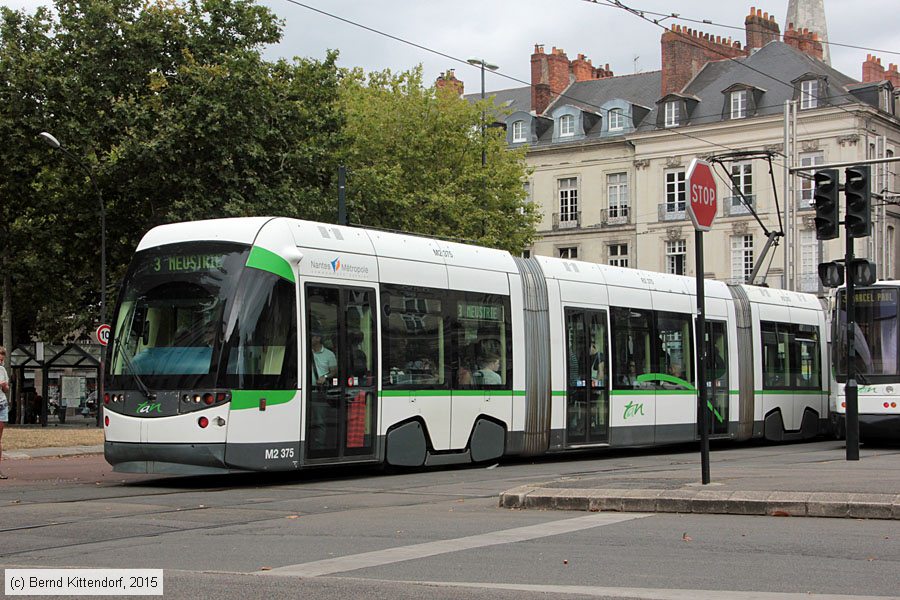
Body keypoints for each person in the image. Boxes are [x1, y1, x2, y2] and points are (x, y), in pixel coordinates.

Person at [0, 347, 9, 479]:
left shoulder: (2, 370)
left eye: (2, 359)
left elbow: (6, 388)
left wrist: (4, 386)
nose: (1, 361)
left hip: (1, 404)